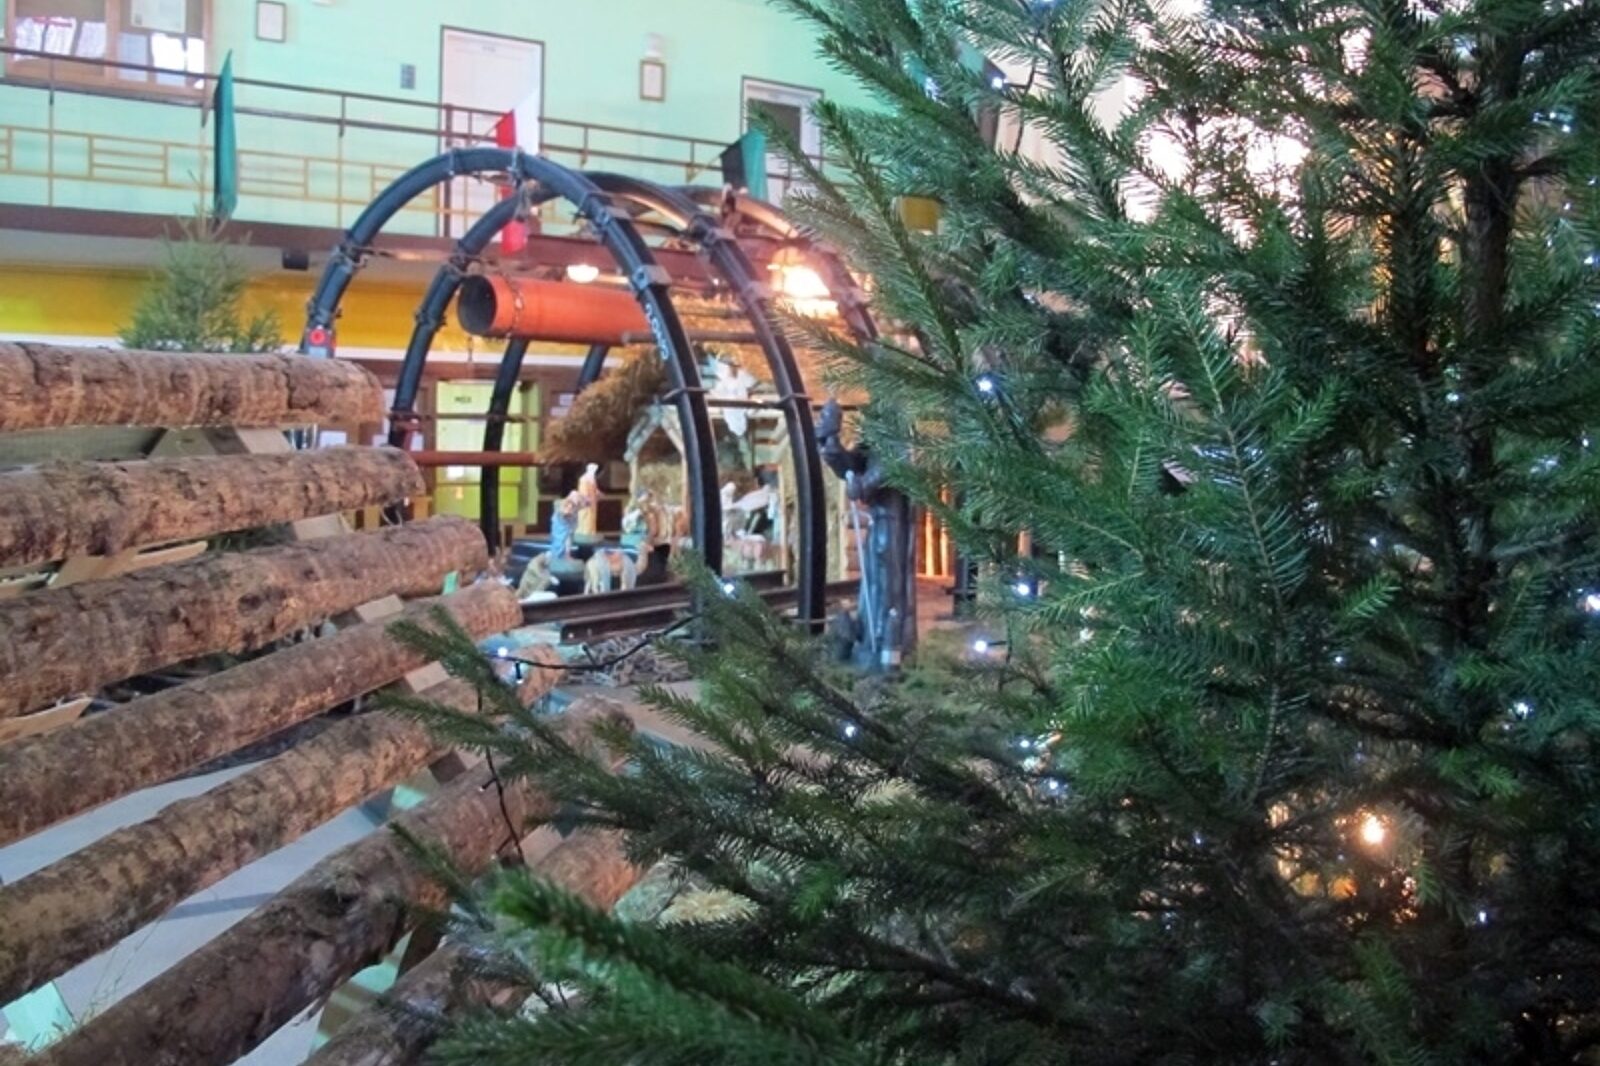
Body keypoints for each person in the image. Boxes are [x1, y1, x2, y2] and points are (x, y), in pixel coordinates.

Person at [816, 399, 917, 672]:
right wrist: (831, 441)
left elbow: (894, 464)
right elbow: (854, 463)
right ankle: (871, 641)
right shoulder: (875, 427)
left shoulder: (897, 425)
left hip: (894, 518)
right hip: (879, 517)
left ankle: (889, 647)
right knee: (874, 580)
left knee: (888, 579)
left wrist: (863, 484)